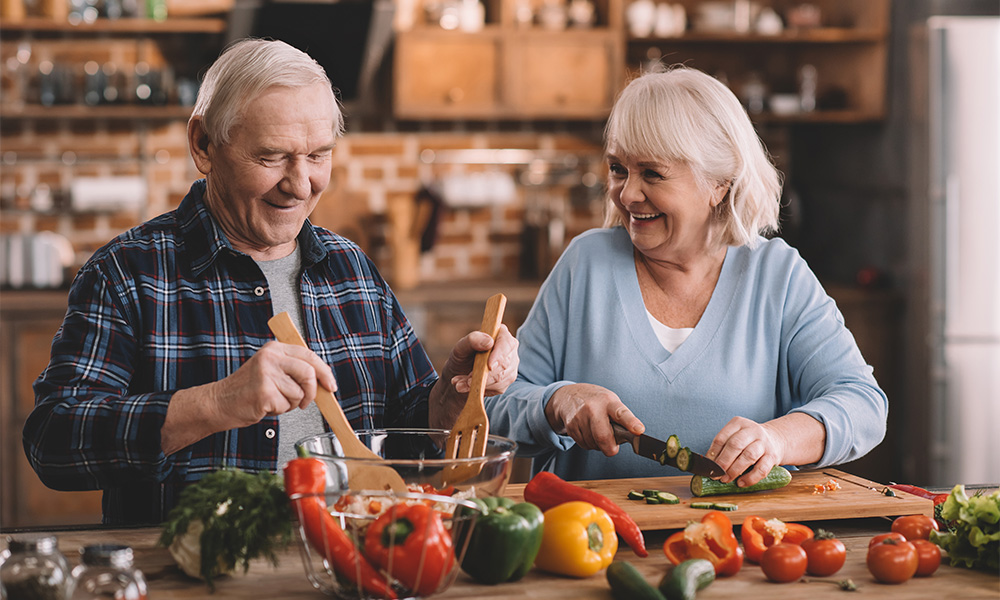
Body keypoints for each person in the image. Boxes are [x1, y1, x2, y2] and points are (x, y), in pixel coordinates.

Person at [22, 39, 518, 526]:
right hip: (196, 576)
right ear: (203, 145)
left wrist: (449, 400)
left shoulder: (353, 270)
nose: (300, 184)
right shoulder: (127, 274)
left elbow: (403, 437)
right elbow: (53, 442)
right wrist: (215, 404)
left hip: (347, 566)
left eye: (319, 155)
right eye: (271, 157)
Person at [486, 66, 887, 488]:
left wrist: (776, 440)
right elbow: (495, 408)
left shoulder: (776, 275)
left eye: (652, 174)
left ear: (719, 183)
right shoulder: (585, 264)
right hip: (588, 540)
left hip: (738, 543)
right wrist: (556, 402)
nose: (627, 194)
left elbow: (863, 405)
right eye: (619, 169)